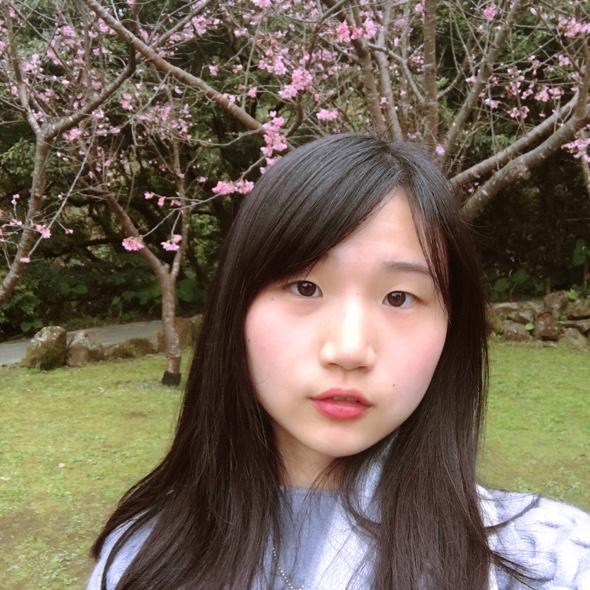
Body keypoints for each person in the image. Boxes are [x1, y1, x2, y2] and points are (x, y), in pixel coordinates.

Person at [87, 134, 589, 590]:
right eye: (305, 288)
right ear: (236, 310)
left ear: (451, 330)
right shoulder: (142, 558)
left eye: (399, 297)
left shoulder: (547, 562)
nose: (349, 350)